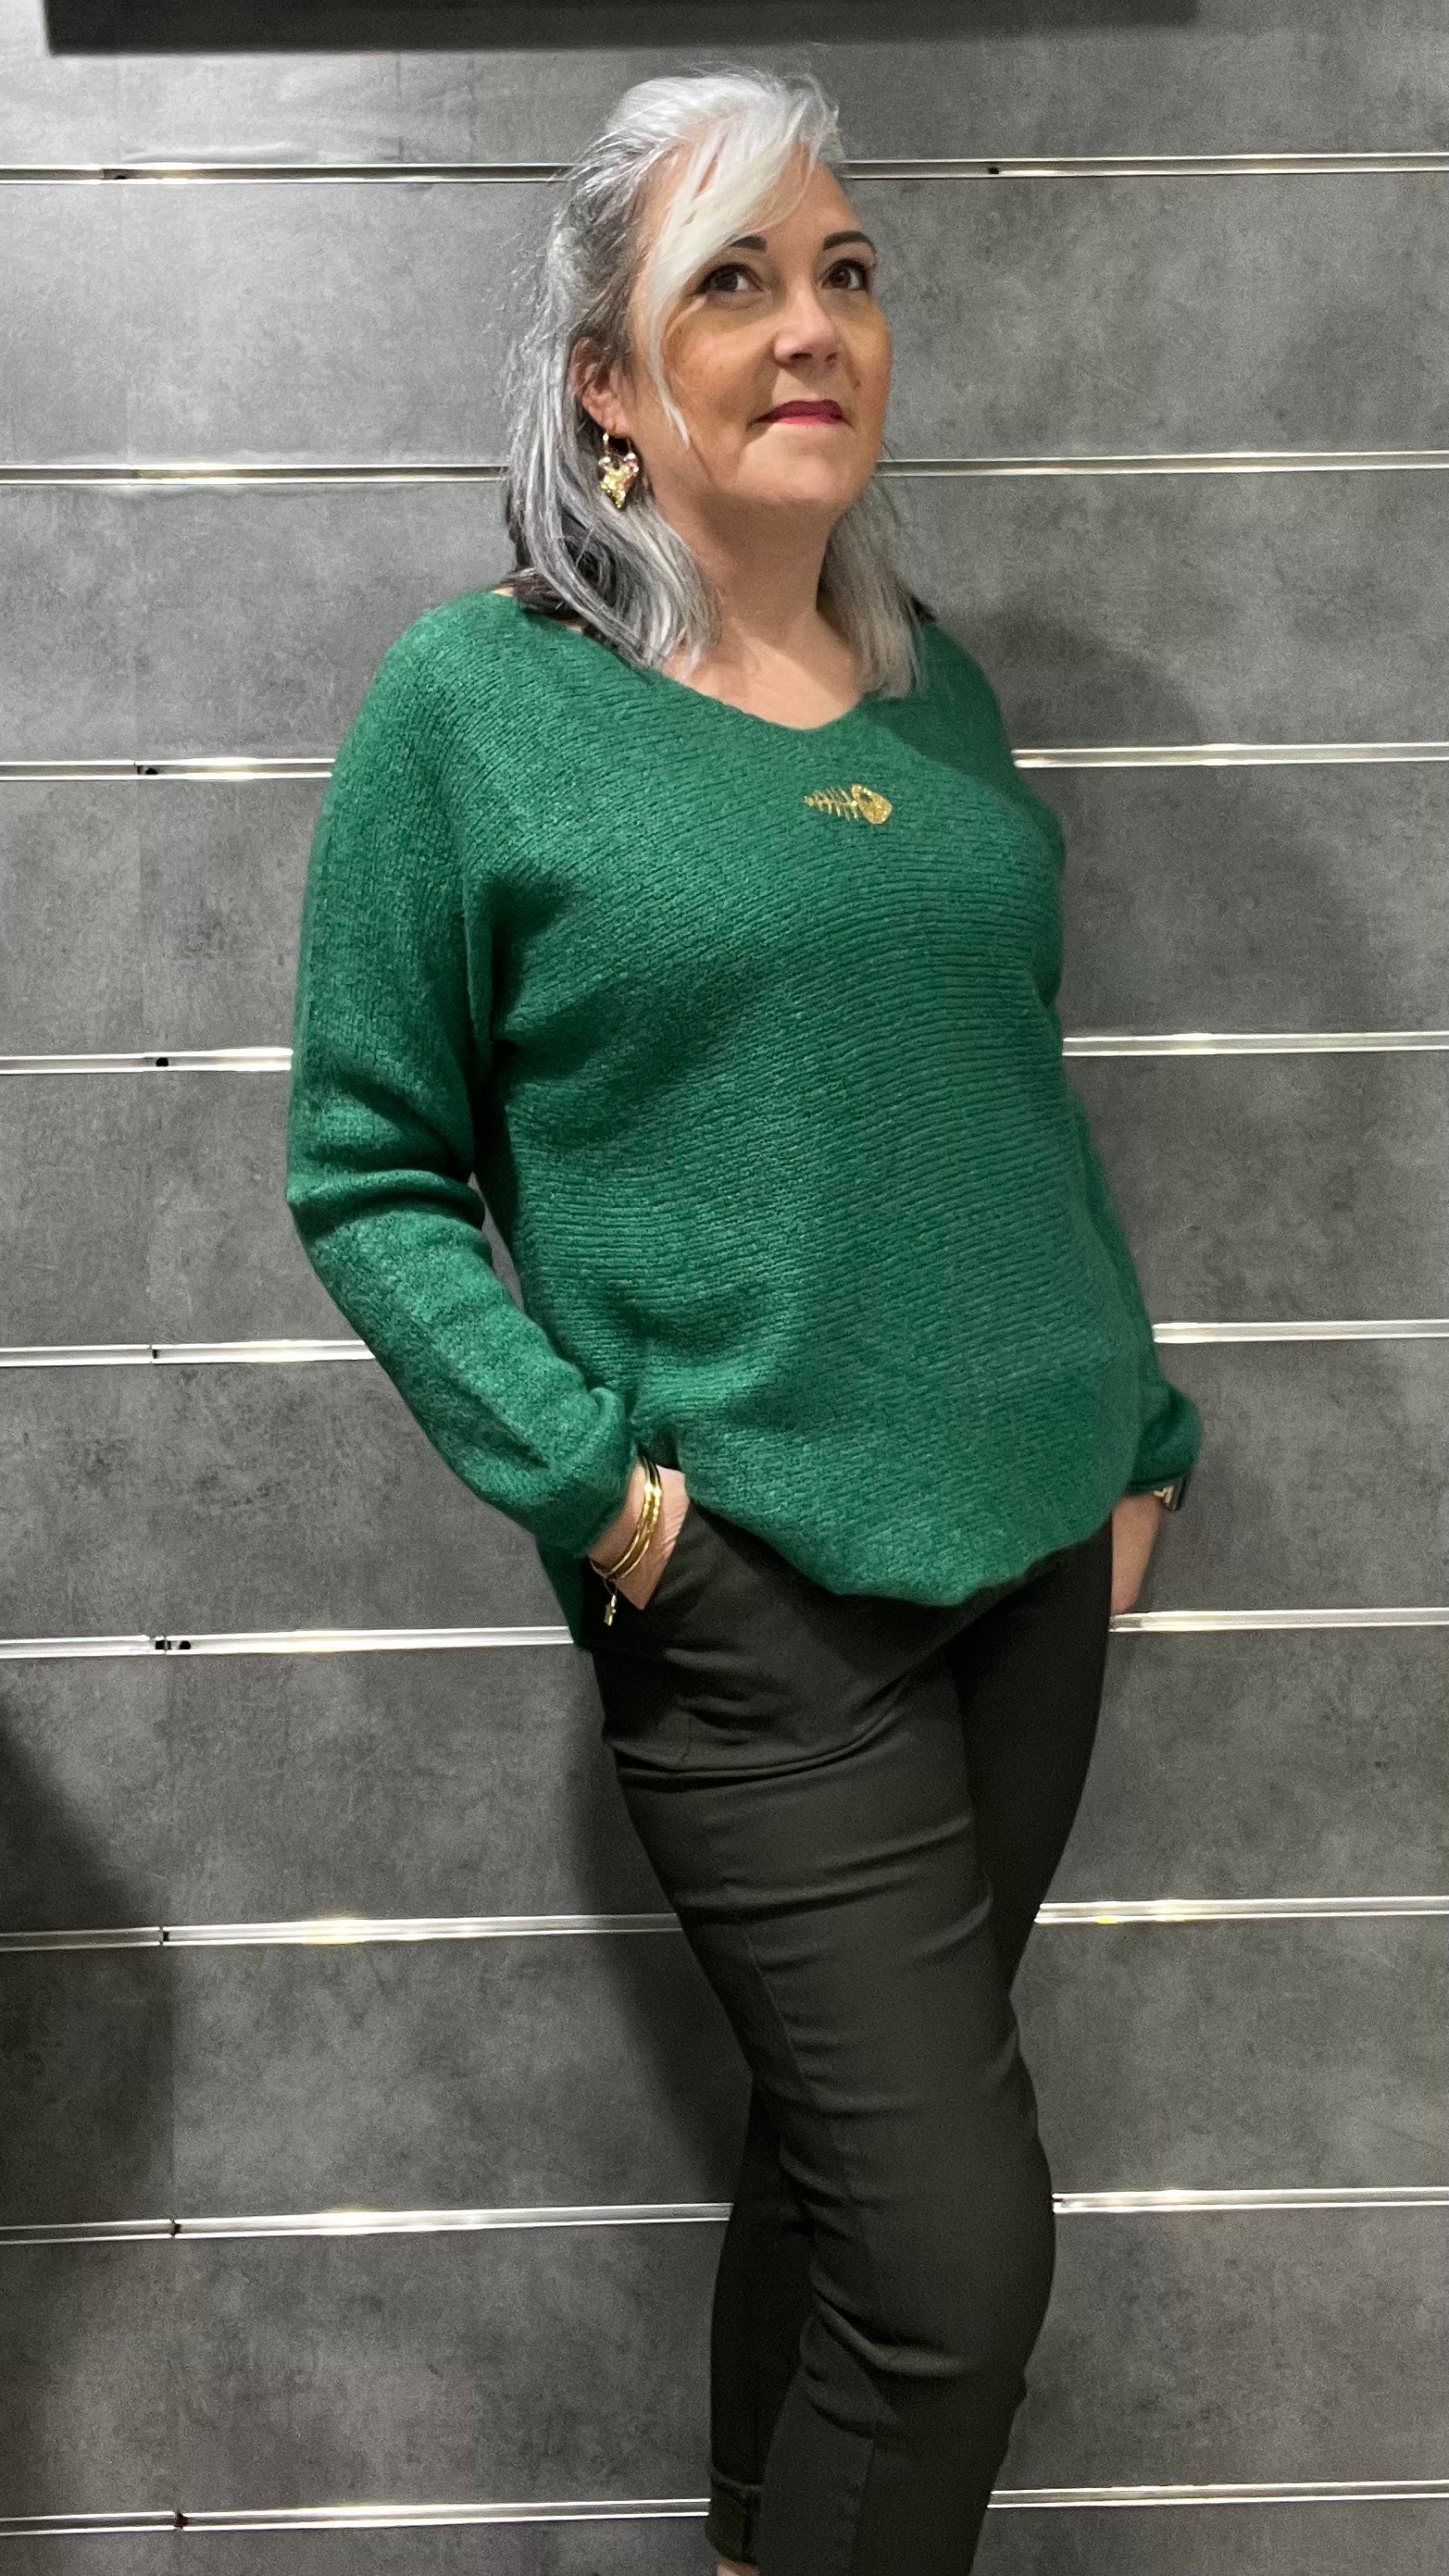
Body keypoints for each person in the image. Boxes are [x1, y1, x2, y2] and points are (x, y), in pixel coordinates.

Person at [284, 65, 1202, 2576]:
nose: (814, 329)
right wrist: (611, 1507)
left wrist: (1134, 1436)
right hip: (759, 1605)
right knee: (955, 2273)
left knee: (841, 2167)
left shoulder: (938, 701)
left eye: (848, 272)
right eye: (735, 282)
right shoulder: (476, 709)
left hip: (1035, 1562)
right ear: (607, 382)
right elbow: (365, 1169)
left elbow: (1000, 1096)